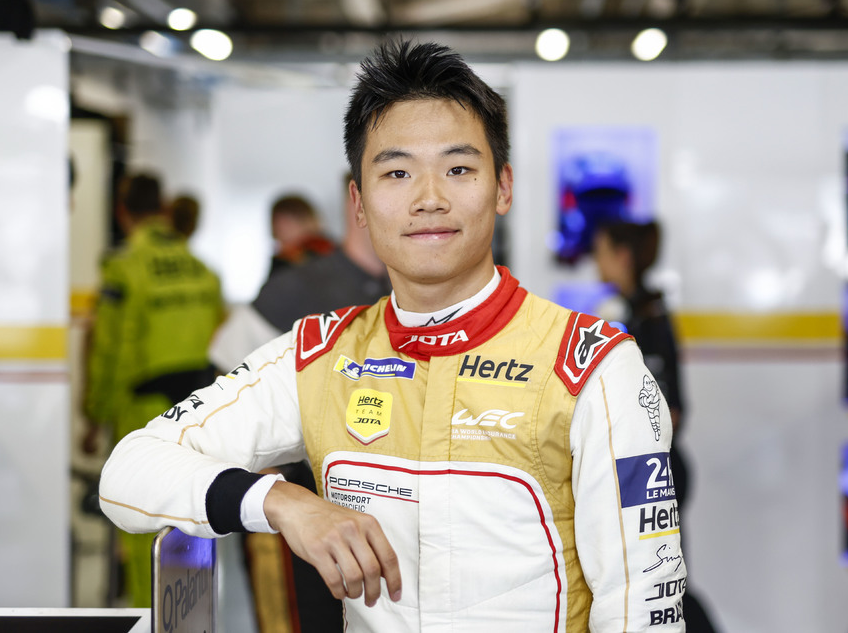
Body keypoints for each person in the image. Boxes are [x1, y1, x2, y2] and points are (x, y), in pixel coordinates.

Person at [99, 40, 686, 631]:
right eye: (397, 173)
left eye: (459, 169)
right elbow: (127, 473)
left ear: (503, 187)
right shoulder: (319, 356)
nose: (429, 199)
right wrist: (280, 501)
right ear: (358, 203)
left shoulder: (594, 367)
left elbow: (643, 607)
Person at [209, 172, 389, 633]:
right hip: (299, 512)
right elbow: (222, 373)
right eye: (392, 179)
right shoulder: (293, 291)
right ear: (356, 199)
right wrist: (269, 482)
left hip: (390, 515)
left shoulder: (420, 293)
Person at [85, 172, 224, 607]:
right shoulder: (203, 270)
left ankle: (151, 618)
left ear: (121, 211)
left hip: (141, 408)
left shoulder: (124, 268)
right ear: (162, 207)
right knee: (189, 515)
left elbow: (112, 349)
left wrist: (96, 414)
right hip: (195, 413)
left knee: (140, 518)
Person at [593, 220, 719, 633]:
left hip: (655, 470)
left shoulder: (648, 319)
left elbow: (671, 408)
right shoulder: (623, 314)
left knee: (667, 588)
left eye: (601, 251)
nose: (596, 262)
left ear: (622, 256)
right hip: (640, 470)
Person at [267, 193, 334, 279]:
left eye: (288, 223)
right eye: (278, 226)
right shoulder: (282, 259)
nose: (282, 230)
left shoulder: (326, 251)